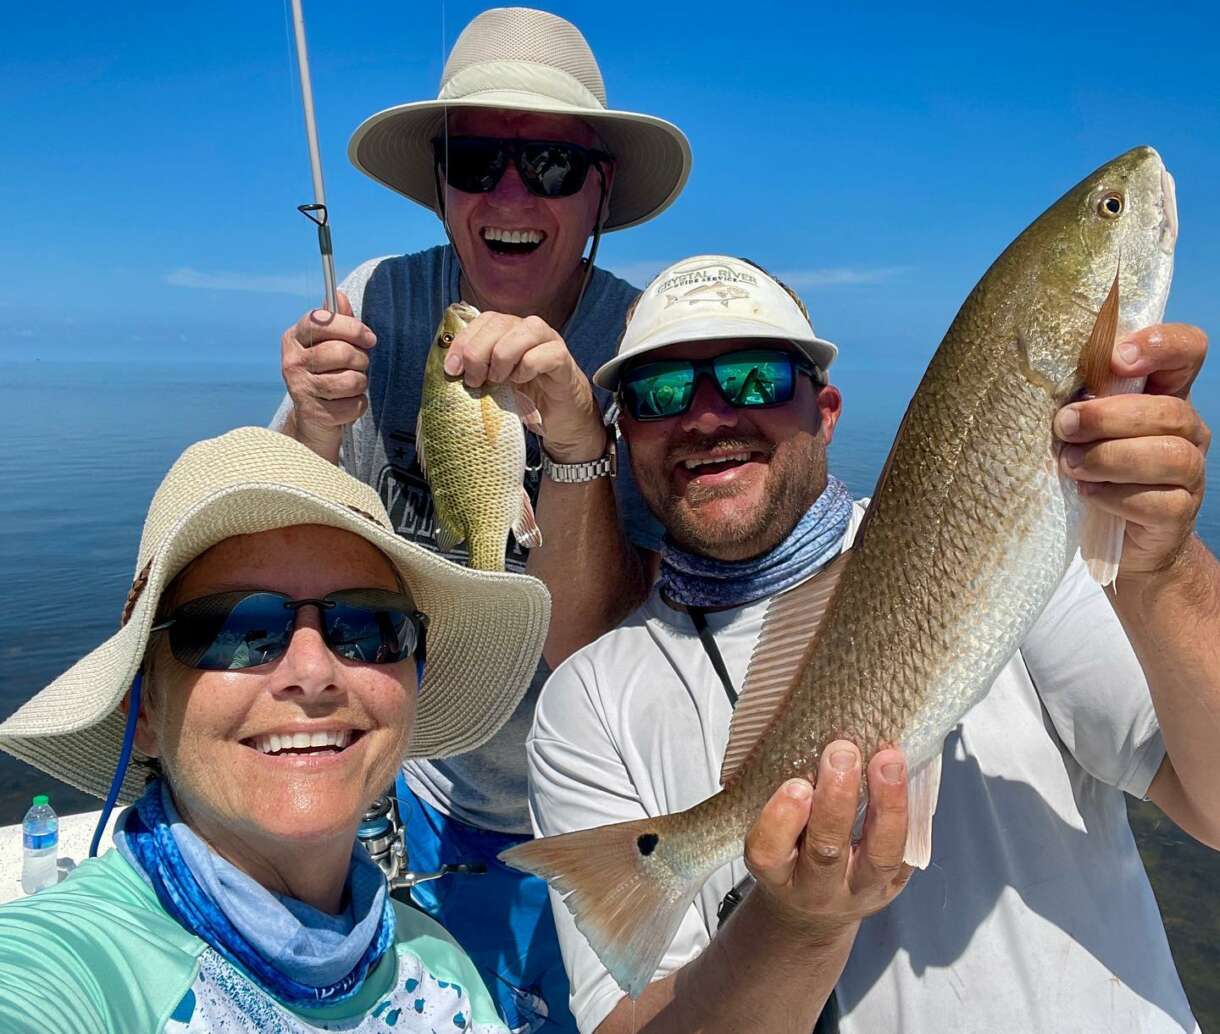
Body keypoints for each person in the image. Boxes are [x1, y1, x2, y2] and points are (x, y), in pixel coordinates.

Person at [527, 255, 1219, 1033]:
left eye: (756, 378)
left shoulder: (1020, 549)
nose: (709, 416)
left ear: (826, 411)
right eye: (661, 392)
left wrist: (1164, 570)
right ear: (625, 437)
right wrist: (796, 927)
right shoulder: (586, 700)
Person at [274, 10, 690, 1028]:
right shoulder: (381, 299)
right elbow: (289, 538)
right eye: (477, 158)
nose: (510, 195)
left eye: (550, 163)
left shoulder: (647, 345)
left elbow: (594, 641)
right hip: (426, 799)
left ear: (599, 190)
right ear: (441, 180)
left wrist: (579, 433)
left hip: (604, 813)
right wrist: (312, 423)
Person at [0, 426, 551, 1033]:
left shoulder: (440, 964)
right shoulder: (69, 970)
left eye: (368, 625)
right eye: (239, 629)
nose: (313, 672)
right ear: (145, 711)